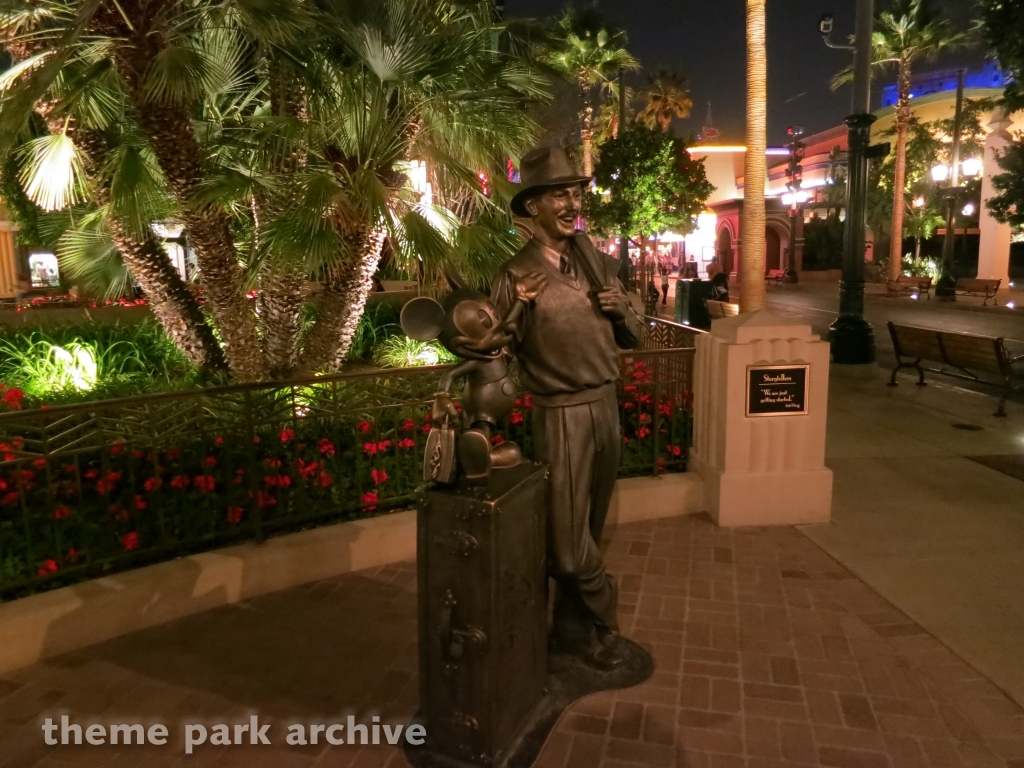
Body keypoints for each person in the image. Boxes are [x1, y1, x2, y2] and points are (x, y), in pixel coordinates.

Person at [491, 147, 643, 671]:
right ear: (532, 205)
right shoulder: (516, 276)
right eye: (559, 193)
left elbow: (637, 336)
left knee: (589, 533)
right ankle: (606, 620)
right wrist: (516, 308)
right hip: (561, 415)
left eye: (575, 192)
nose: (571, 202)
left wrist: (622, 308)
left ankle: (572, 629)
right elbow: (492, 352)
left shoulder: (595, 262)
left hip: (605, 408)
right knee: (567, 550)